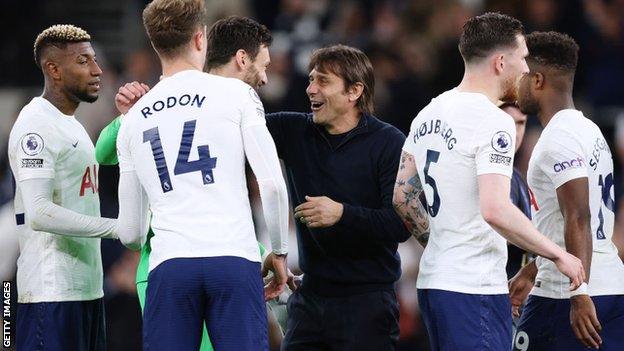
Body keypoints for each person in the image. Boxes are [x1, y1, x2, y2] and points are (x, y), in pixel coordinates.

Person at [392, 13, 585, 351]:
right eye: (522, 57)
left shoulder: (429, 112)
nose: (526, 68)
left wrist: (443, 244)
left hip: (434, 282)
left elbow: (402, 197)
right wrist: (558, 255)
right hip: (473, 287)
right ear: (500, 62)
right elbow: (495, 208)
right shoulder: (494, 121)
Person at [97, 17, 288, 351]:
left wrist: (128, 117)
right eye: (264, 65)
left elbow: (104, 154)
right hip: (227, 258)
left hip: (167, 263)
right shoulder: (238, 100)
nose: (266, 77)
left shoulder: (146, 109)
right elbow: (270, 184)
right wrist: (277, 251)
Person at [266, 44, 410, 351]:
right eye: (310, 79)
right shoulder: (292, 130)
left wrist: (342, 214)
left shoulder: (388, 142)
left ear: (354, 91)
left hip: (368, 302)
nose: (310, 89)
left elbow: (400, 225)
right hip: (310, 297)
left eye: (323, 81)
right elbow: (232, 126)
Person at [510, 31, 624, 351]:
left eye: (520, 75)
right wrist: (534, 269)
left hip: (566, 297)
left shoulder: (558, 139)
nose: (514, 85)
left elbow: (579, 215)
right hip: (610, 285)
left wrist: (579, 293)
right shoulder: (590, 130)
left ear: (537, 80)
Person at [7, 24, 118, 350]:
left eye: (94, 60)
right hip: (50, 293)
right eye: (84, 62)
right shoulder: (35, 125)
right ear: (53, 69)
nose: (97, 70)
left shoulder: (71, 124)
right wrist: (114, 228)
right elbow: (39, 212)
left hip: (86, 290)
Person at [499, 101, 533, 278]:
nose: (513, 130)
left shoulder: (516, 176)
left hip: (512, 294)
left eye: (520, 123)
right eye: (506, 121)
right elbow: (501, 229)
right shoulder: (492, 174)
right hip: (490, 289)